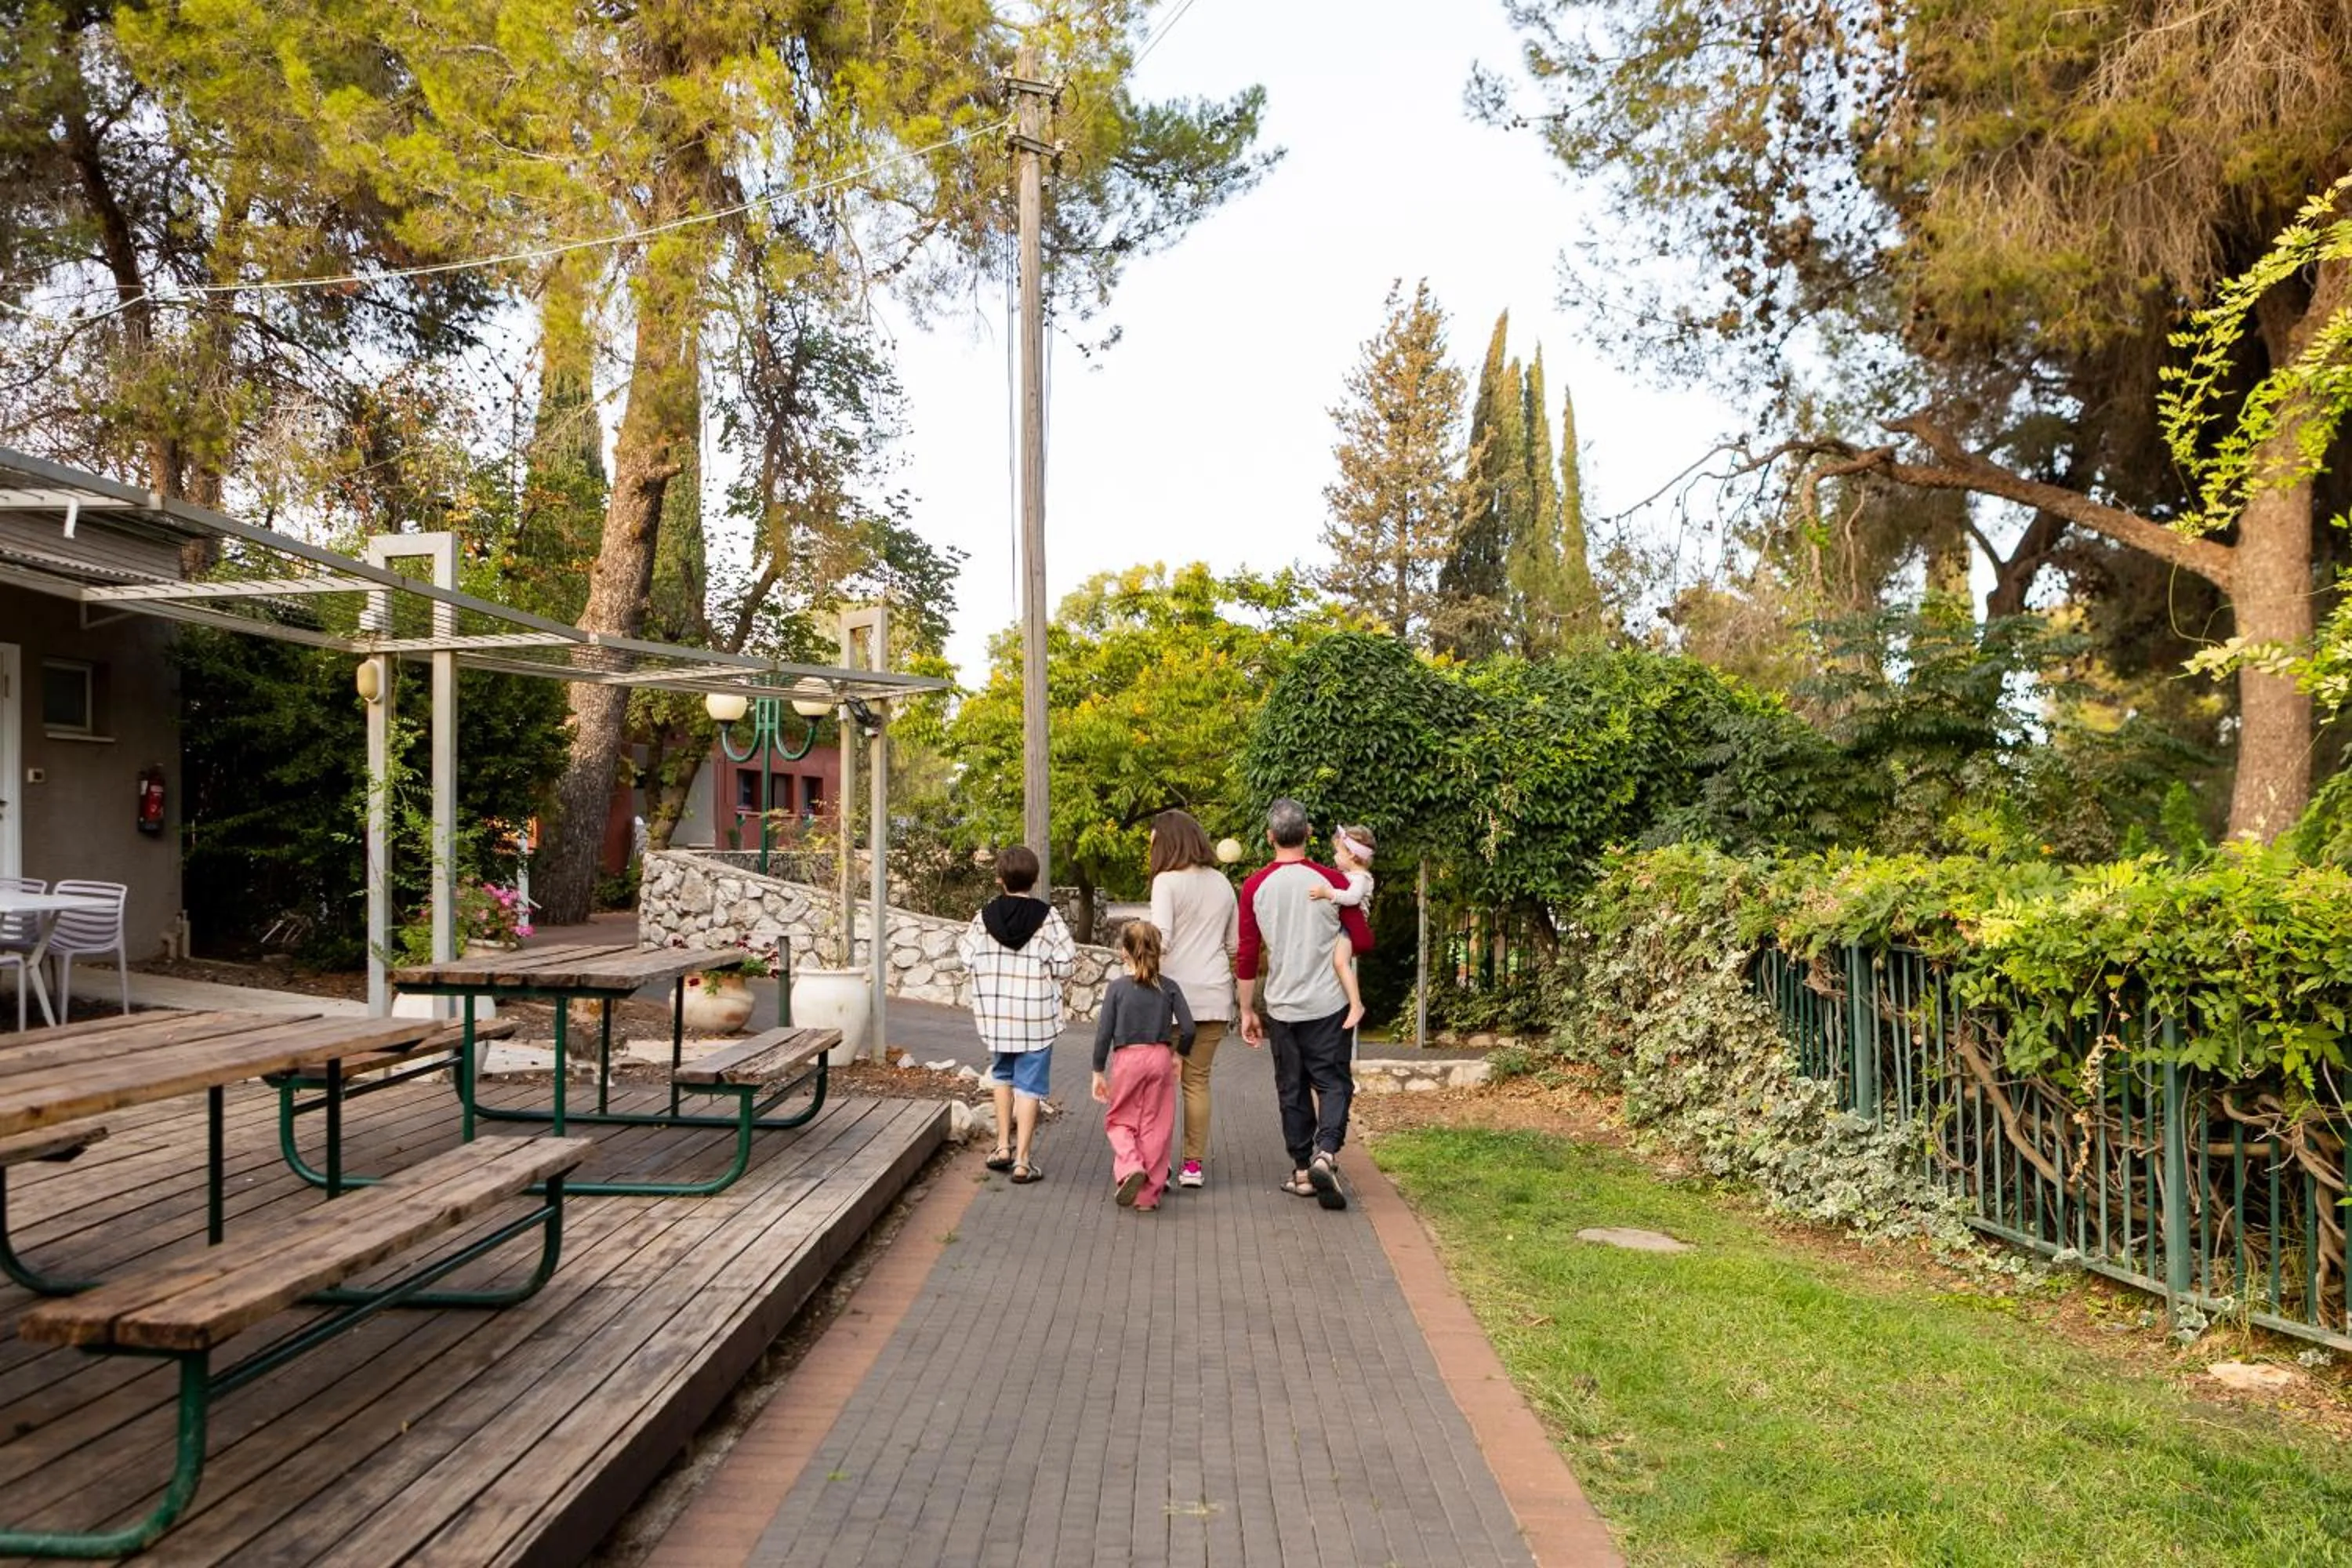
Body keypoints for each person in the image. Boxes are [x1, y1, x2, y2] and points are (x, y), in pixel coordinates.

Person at [1236, 799, 1374, 1210]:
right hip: (1329, 1003)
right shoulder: (1332, 880)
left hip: (1282, 1006)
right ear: (1309, 834)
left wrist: (1246, 1010)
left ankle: (1301, 1172)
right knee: (1333, 1082)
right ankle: (1326, 1153)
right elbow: (1362, 939)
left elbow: (1247, 952)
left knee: (1291, 1086)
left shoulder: (1255, 886)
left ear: (1270, 837)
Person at [954, 844, 1075, 1185]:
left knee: (1003, 1076)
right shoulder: (1048, 917)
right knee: (1030, 1086)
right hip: (1036, 1016)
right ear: (1034, 880)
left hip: (997, 1017)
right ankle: (1023, 1161)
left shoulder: (984, 917)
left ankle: (1002, 1147)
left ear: (999, 879)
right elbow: (1066, 965)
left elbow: (966, 958)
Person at [1147, 808, 1240, 1189]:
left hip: (1171, 997)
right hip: (1215, 993)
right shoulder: (1222, 884)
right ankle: (1192, 1167)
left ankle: (1157, 1165)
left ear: (1168, 841)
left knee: (1162, 1082)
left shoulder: (1166, 882)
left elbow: (1161, 939)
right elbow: (1233, 945)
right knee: (1197, 1081)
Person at [1089, 921, 1196, 1212]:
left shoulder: (1117, 989)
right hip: (1160, 1057)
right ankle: (1147, 1198)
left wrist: (1098, 1070)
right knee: (1156, 1126)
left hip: (1128, 1059)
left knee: (1120, 1120)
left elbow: (1104, 1033)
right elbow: (1188, 1029)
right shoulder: (1170, 988)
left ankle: (1131, 1166)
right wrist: (1178, 1056)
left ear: (1124, 952)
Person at [1307, 823, 1377, 1029]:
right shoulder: (1350, 876)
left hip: (1350, 927)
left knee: (1339, 962)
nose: (1335, 857)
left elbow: (1352, 898)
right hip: (1342, 925)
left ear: (1352, 856)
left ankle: (1356, 1005)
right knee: (1334, 963)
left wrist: (1327, 893)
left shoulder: (1361, 878)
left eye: (1338, 852)